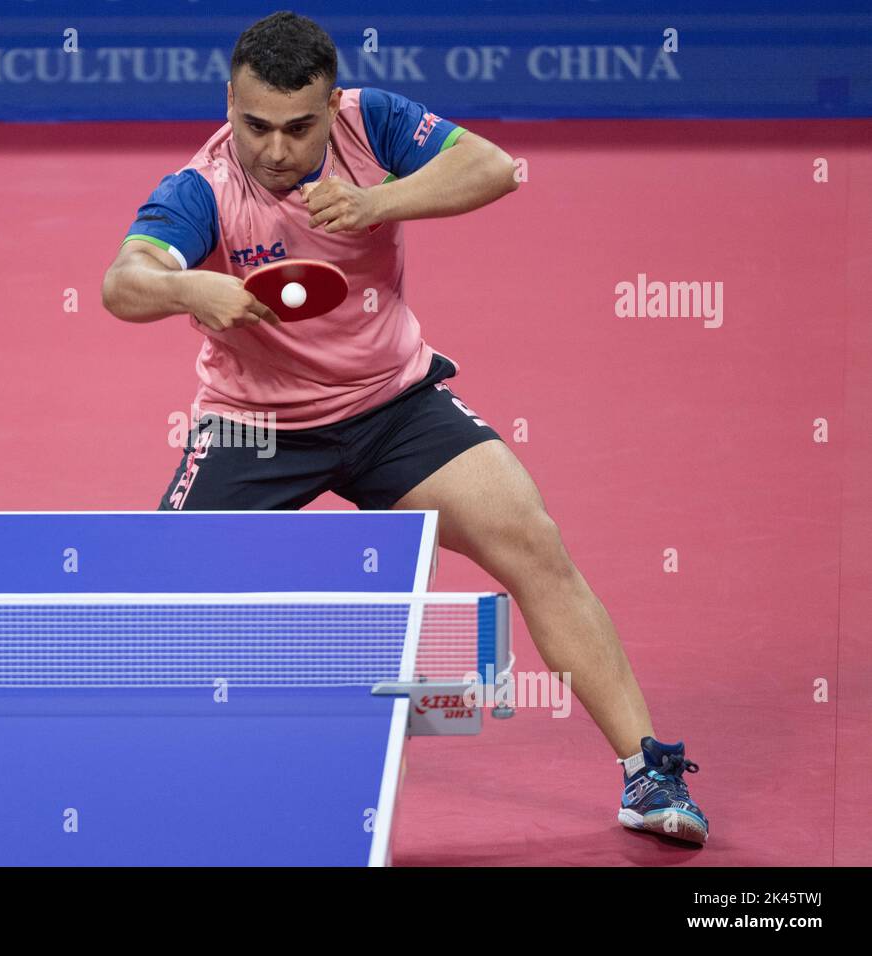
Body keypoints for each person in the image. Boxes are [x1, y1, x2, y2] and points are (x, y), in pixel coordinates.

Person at [101, 11, 707, 846]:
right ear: (229, 105)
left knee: (532, 538)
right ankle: (155, 790)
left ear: (331, 104)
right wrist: (185, 291)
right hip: (255, 425)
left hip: (395, 402)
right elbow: (121, 282)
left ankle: (648, 771)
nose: (276, 149)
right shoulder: (200, 190)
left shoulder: (372, 121)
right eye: (256, 126)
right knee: (163, 604)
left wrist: (374, 201)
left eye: (298, 127)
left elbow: (493, 169)